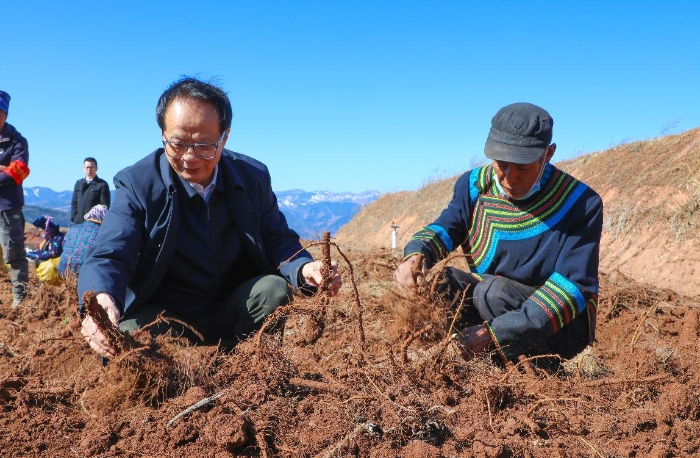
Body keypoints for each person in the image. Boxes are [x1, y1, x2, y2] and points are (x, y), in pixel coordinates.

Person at [79, 77, 342, 358]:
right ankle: (183, 376)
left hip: (232, 311)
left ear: (224, 137)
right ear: (162, 135)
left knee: (273, 290)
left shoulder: (251, 178)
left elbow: (276, 237)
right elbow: (111, 252)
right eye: (177, 144)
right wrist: (101, 297)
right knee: (129, 335)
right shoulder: (138, 184)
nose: (190, 158)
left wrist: (303, 269)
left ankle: (249, 365)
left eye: (204, 145)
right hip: (166, 318)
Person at [394, 102, 603, 364]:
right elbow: (446, 228)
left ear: (547, 155)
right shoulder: (474, 186)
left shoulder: (581, 203)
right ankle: (444, 361)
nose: (509, 177)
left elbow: (573, 288)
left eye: (523, 167)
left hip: (557, 327)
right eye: (501, 164)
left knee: (493, 292)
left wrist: (495, 334)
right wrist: (416, 256)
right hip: (490, 309)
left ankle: (518, 368)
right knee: (443, 284)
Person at [0, 90, 30, 308]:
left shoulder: (17, 141)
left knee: (14, 252)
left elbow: (17, 173)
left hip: (8, 207)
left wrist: (8, 170)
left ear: (5, 115)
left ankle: (21, 297)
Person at [58, 204, 107, 277]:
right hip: (86, 273)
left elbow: (63, 245)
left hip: (64, 269)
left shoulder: (73, 228)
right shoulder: (102, 233)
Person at [70, 157, 110, 224]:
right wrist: (74, 217)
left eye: (91, 167)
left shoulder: (102, 185)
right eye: (87, 167)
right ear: (83, 168)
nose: (89, 169)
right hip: (78, 222)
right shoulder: (78, 183)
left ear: (96, 169)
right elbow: (74, 202)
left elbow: (104, 206)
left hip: (93, 224)